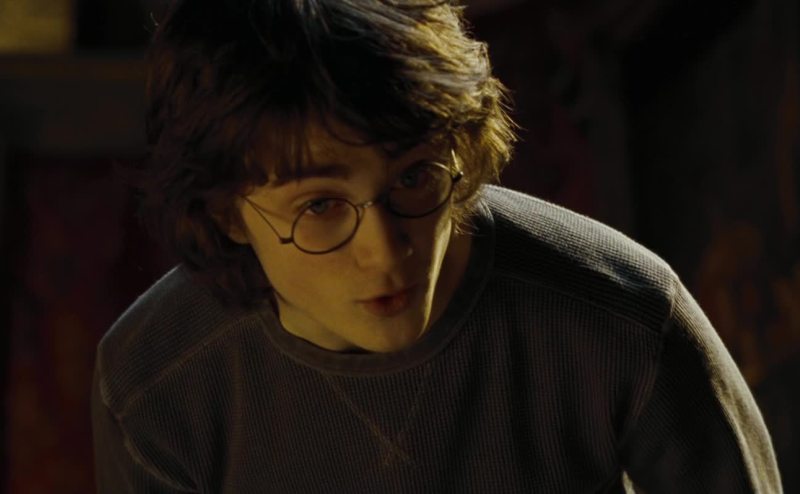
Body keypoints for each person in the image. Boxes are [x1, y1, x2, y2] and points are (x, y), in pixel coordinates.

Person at [91, 0, 782, 492]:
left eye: (414, 177)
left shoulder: (624, 315)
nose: (387, 251)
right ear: (227, 214)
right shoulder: (156, 381)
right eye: (320, 206)